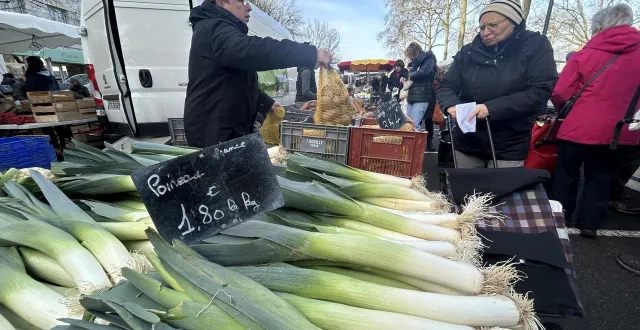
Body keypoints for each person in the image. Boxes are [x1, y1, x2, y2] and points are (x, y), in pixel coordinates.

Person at [184, 0, 331, 148]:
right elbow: (254, 50)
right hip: (212, 134)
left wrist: (267, 103)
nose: (249, 8)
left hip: (225, 130)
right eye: (241, 1)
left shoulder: (220, 30)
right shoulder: (214, 28)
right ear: (222, 3)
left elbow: (239, 82)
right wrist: (309, 53)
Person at [551, 4, 640, 239]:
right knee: (601, 176)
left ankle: (561, 216)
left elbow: (560, 91)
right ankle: (590, 224)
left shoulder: (585, 54)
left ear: (598, 28)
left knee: (567, 174)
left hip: (579, 125)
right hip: (619, 130)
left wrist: (564, 110)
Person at [437, 0, 558, 168]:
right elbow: (446, 85)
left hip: (510, 142)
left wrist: (490, 109)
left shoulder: (536, 45)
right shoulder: (468, 51)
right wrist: (451, 105)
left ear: (513, 21)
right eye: (481, 27)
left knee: (502, 192)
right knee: (466, 192)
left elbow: (540, 90)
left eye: (492, 25)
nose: (485, 32)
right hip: (467, 140)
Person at [404, 42, 437, 132]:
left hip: (423, 96)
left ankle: (418, 145)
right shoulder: (414, 63)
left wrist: (410, 76)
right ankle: (409, 146)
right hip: (412, 96)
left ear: (415, 52)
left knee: (415, 126)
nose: (410, 57)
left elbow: (424, 71)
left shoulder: (429, 58)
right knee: (409, 125)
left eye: (410, 55)